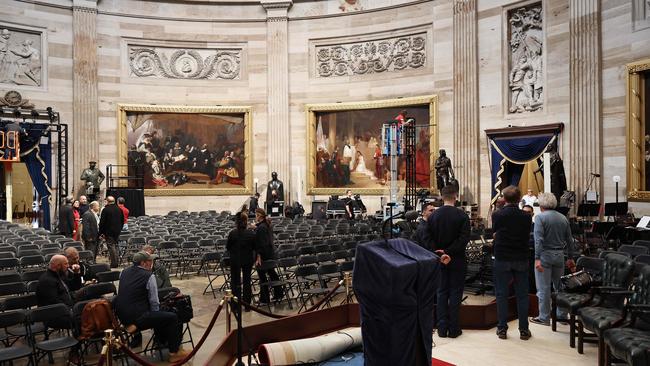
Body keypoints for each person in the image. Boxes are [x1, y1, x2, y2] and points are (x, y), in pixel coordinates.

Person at [114, 252, 188, 362]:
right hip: (138, 317)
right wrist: (157, 315)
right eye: (150, 261)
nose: (152, 264)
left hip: (122, 316)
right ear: (144, 263)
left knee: (161, 315)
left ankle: (161, 341)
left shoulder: (123, 272)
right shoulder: (149, 276)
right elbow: (154, 302)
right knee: (172, 316)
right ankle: (174, 352)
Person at [426, 185, 469, 338]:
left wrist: (440, 253)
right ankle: (454, 328)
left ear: (441, 197)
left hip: (439, 260)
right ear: (456, 197)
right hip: (457, 259)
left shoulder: (433, 216)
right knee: (456, 293)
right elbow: (464, 239)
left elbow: (428, 239)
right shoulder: (462, 216)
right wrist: (449, 252)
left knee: (441, 292)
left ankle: (442, 328)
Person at [491, 186, 532, 340]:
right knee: (522, 295)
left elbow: (495, 233)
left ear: (504, 198)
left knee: (501, 294)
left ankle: (502, 329)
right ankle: (524, 330)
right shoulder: (526, 216)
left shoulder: (498, 214)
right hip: (520, 256)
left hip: (502, 256)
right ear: (519, 198)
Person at [530, 192, 576, 326]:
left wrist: (537, 258)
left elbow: (538, 240)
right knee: (559, 287)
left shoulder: (540, 218)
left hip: (544, 255)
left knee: (543, 288)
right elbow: (570, 240)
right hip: (559, 255)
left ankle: (544, 317)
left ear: (541, 204)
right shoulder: (563, 218)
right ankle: (562, 315)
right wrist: (571, 257)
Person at [227, 212, 256, 307]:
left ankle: (235, 304)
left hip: (235, 260)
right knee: (247, 280)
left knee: (235, 281)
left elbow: (228, 247)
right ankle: (247, 303)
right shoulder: (250, 233)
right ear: (246, 221)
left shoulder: (232, 233)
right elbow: (254, 247)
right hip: (248, 260)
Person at [254, 208, 283, 303]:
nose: (255, 216)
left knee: (262, 277)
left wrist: (258, 256)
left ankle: (265, 298)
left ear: (259, 215)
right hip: (270, 253)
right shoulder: (267, 225)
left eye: (256, 215)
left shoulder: (261, 228)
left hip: (264, 255)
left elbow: (261, 243)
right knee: (272, 274)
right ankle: (279, 293)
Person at [99, 196, 124, 268]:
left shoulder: (106, 210)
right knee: (115, 246)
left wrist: (101, 232)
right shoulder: (119, 209)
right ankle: (116, 261)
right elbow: (122, 221)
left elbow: (102, 222)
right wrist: (119, 229)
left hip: (109, 231)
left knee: (111, 246)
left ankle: (114, 263)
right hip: (117, 231)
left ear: (107, 201)